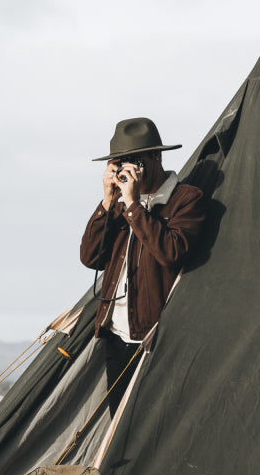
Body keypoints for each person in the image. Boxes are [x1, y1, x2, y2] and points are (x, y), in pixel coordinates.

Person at [80, 117, 208, 413]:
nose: (128, 169)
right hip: (115, 334)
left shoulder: (187, 199)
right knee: (119, 425)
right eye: (120, 162)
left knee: (153, 426)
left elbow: (172, 253)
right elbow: (90, 257)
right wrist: (108, 201)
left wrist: (135, 205)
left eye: (134, 161)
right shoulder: (119, 203)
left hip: (157, 337)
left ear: (156, 157)